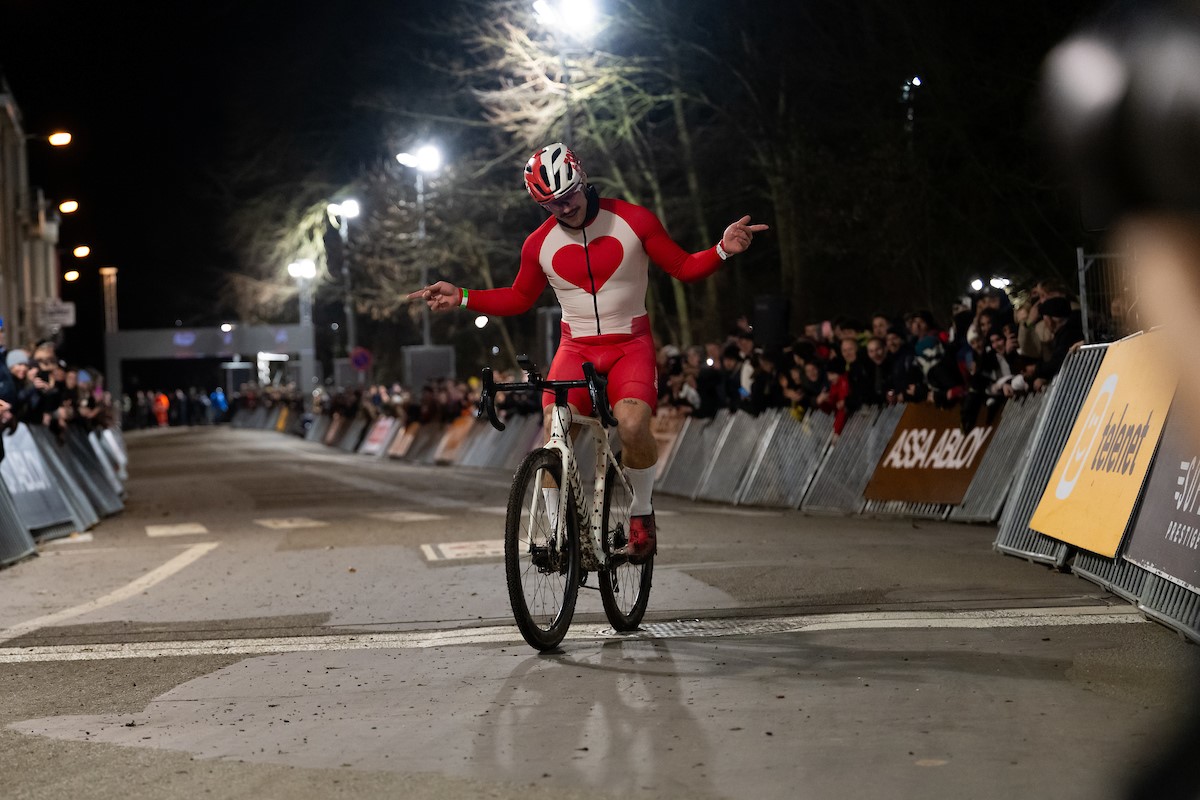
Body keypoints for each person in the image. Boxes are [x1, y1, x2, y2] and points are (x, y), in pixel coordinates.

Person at [409, 143, 768, 560]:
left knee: (633, 426)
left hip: (629, 344)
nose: (564, 208)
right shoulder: (537, 244)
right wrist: (464, 296)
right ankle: (558, 534)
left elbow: (684, 268)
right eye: (551, 204)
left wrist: (722, 249)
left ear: (581, 178)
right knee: (555, 430)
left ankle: (641, 511)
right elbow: (519, 298)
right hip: (575, 347)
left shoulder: (633, 220)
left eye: (569, 196)